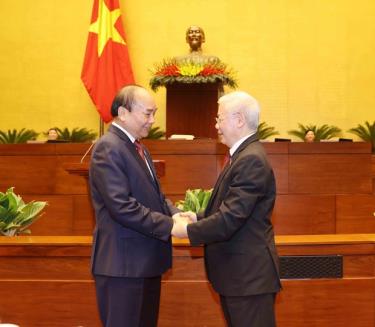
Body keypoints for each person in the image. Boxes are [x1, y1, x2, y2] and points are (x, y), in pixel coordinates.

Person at [173, 91, 282, 327]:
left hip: (248, 279)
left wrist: (188, 231)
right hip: (240, 278)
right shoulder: (241, 155)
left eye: (219, 118)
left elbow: (230, 218)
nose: (216, 125)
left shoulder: (250, 159)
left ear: (239, 120)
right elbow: (229, 206)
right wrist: (198, 216)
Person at [89, 84, 184, 327]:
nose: (152, 120)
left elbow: (156, 196)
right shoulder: (108, 148)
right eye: (147, 113)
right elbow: (121, 206)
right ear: (123, 113)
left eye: (154, 113)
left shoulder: (139, 148)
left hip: (144, 263)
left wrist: (178, 215)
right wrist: (170, 226)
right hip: (123, 266)